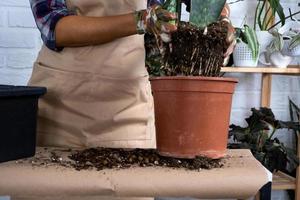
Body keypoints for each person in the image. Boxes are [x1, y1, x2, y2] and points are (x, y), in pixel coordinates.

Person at [28, 0, 234, 149]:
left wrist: (221, 21)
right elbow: (55, 27)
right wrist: (141, 20)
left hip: (126, 105)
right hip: (61, 105)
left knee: (129, 187)